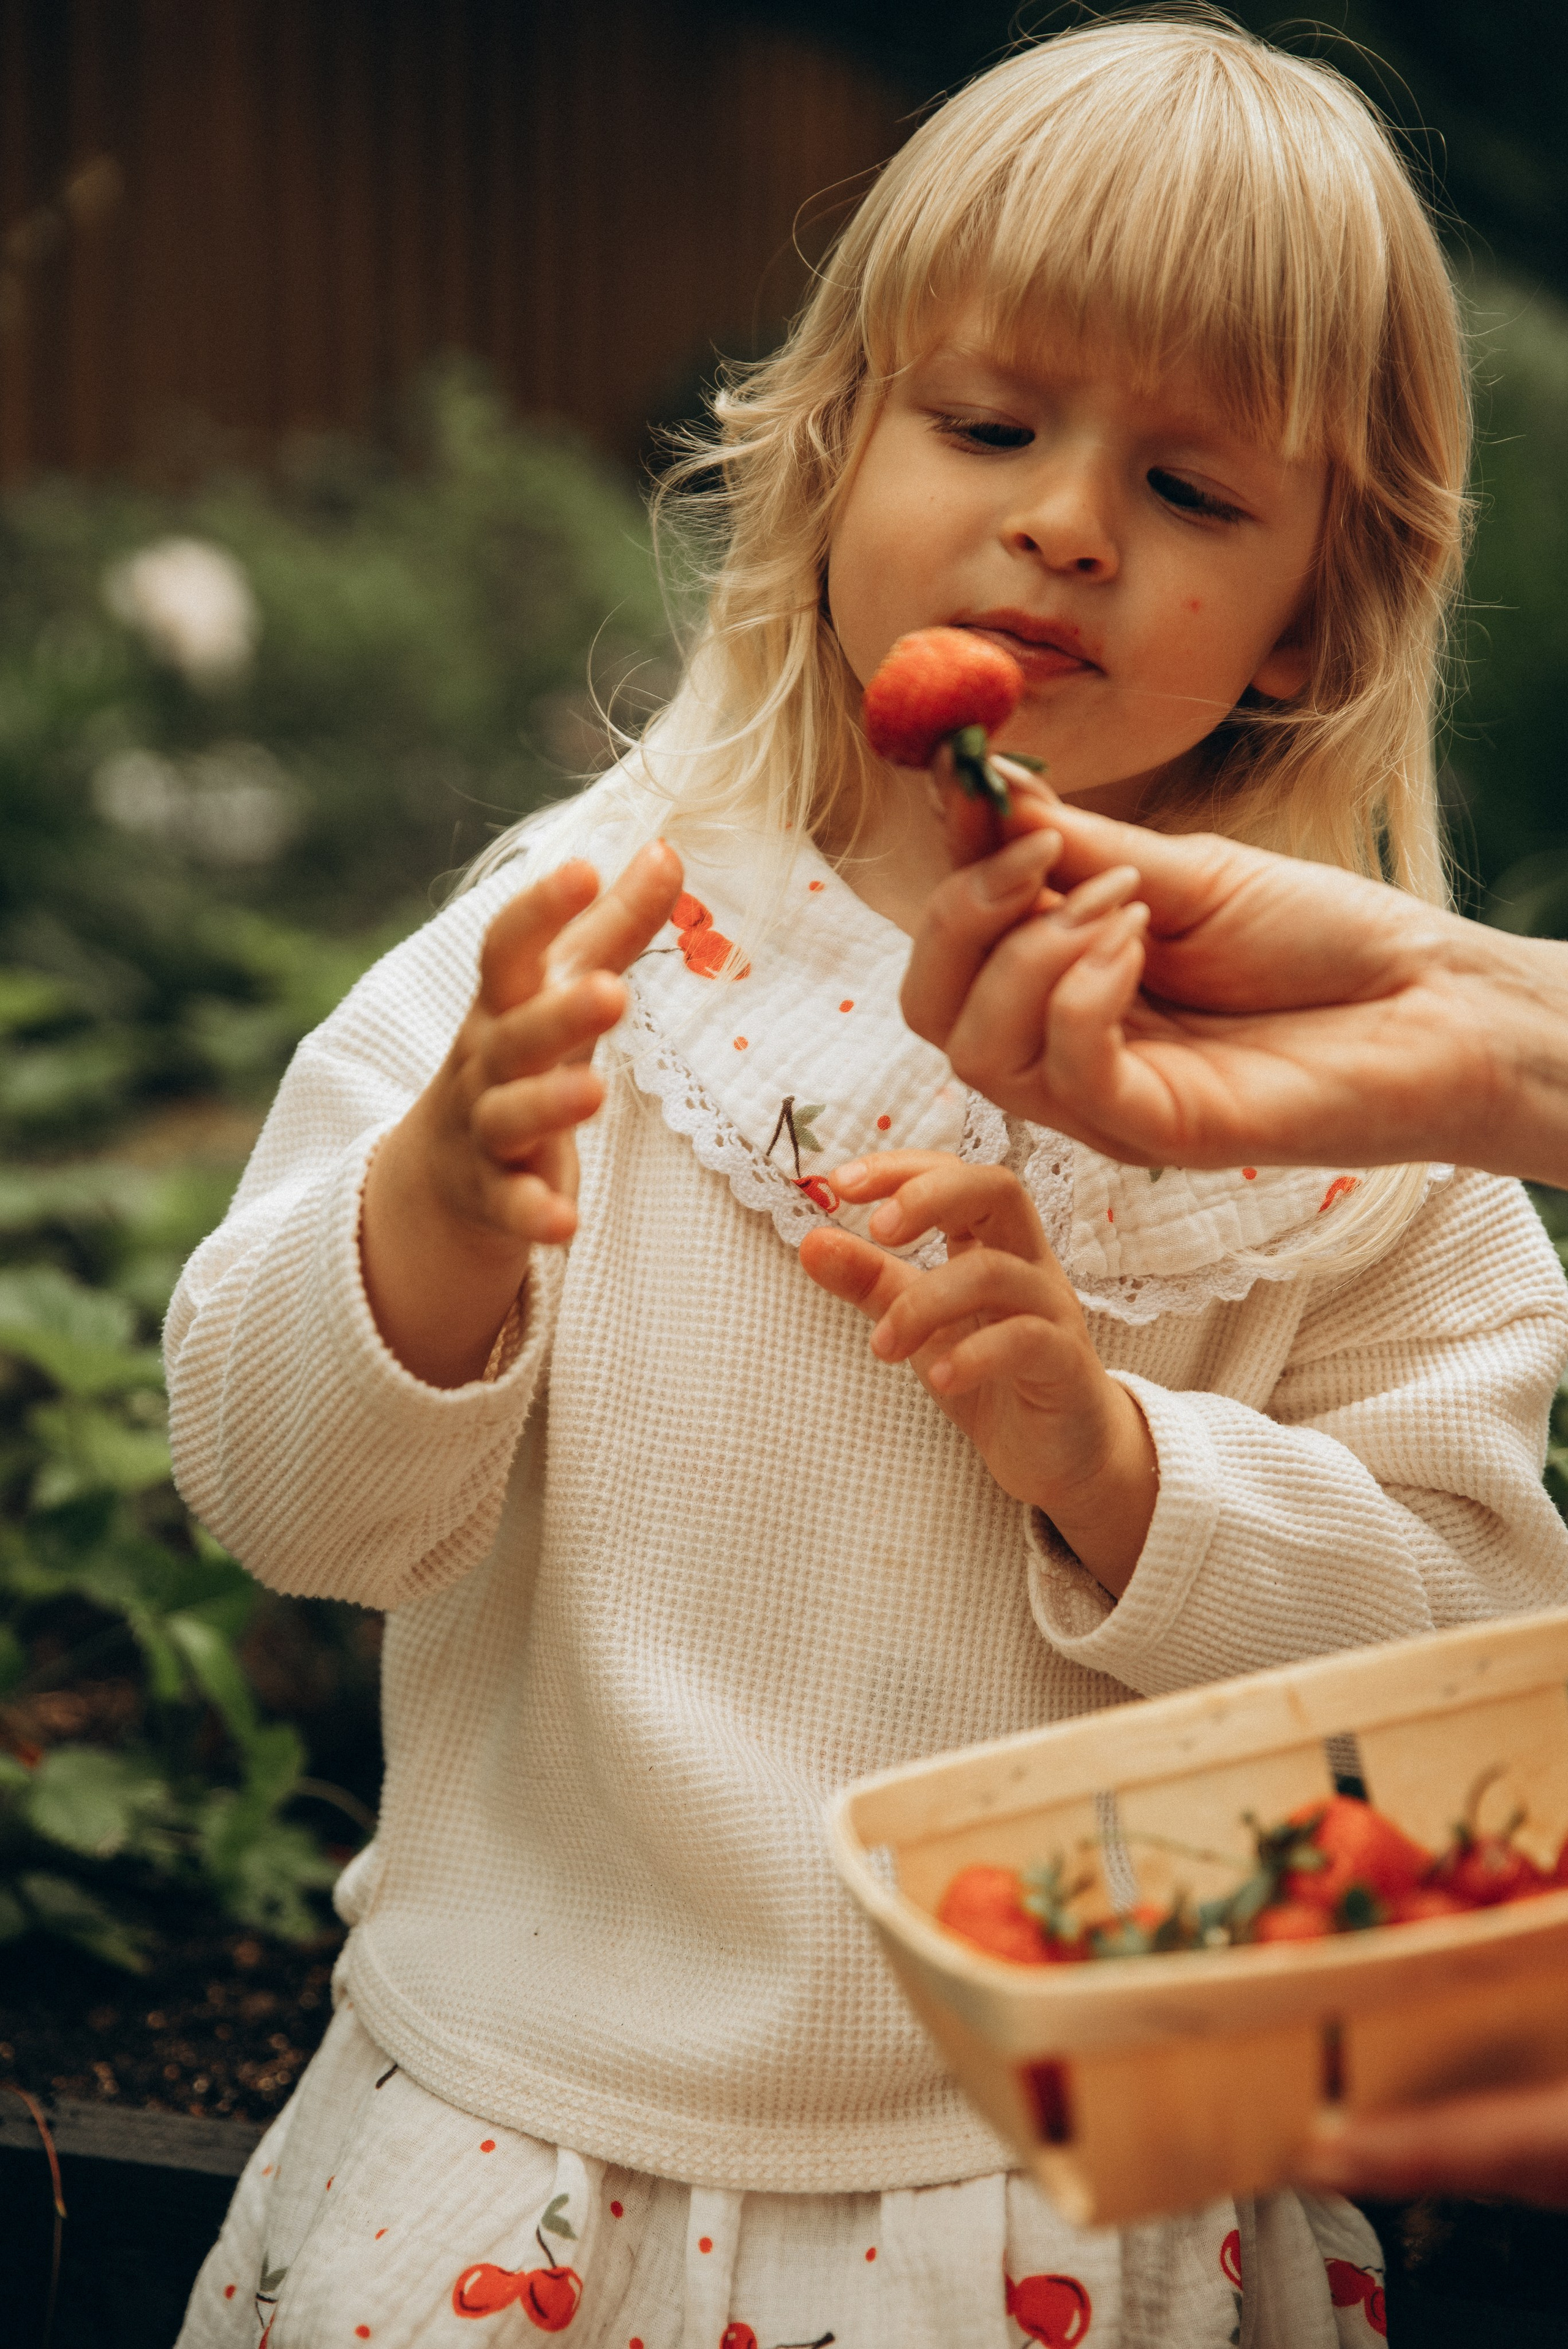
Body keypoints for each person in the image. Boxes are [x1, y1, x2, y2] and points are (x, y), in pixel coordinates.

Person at [167, 19, 1568, 2347]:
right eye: (993, 426)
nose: (1069, 523)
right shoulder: (591, 933)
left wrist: (1115, 1465)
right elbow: (278, 1495)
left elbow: (1468, 1685)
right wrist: (428, 1224)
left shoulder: (1349, 1103)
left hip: (1075, 2200)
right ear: (830, 453)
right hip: (533, 2148)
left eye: (1196, 494)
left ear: (1317, 609)